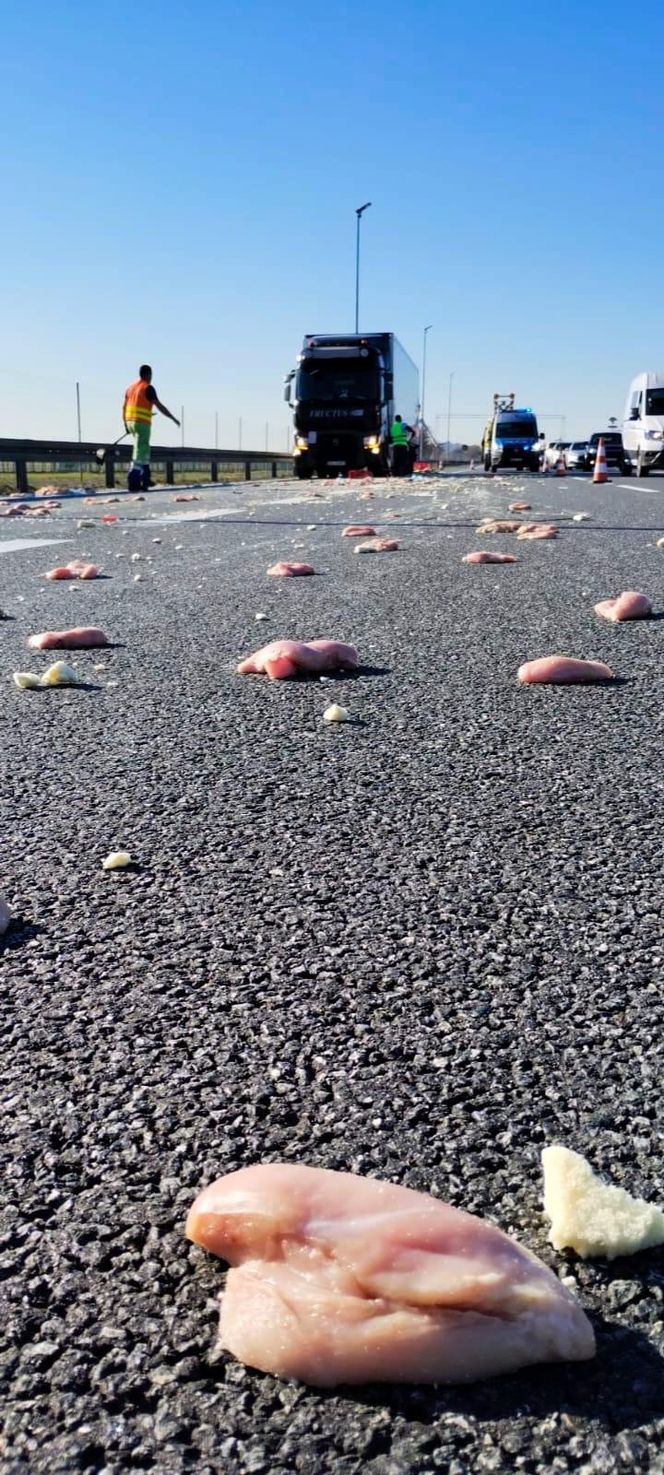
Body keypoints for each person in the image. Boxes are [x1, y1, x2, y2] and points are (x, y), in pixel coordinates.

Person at [123, 365, 180, 491]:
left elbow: (125, 407)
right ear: (148, 374)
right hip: (142, 424)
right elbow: (159, 405)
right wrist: (172, 418)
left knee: (143, 450)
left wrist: (126, 424)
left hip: (130, 422)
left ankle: (146, 479)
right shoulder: (147, 388)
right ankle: (133, 481)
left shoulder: (130, 388)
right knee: (140, 452)